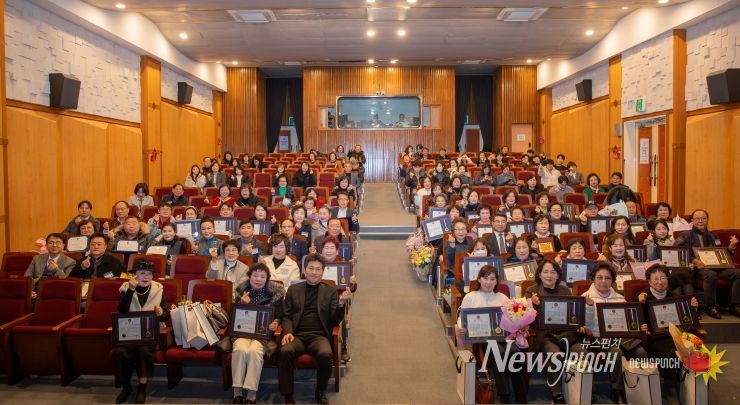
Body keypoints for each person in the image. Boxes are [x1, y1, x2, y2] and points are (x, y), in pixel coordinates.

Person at [278, 254, 350, 404]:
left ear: (322, 272)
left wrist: (341, 303)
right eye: (311, 268)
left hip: (319, 335)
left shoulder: (330, 290)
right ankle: (288, 395)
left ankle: (320, 391)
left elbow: (335, 320)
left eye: (318, 269)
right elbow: (286, 316)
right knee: (285, 352)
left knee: (325, 354)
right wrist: (288, 332)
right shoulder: (294, 289)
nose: (314, 272)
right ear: (304, 270)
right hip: (297, 334)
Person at [574, 262, 647, 404]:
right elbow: (584, 324)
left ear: (612, 280)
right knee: (616, 353)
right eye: (599, 277)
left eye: (607, 278)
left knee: (640, 352)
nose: (603, 281)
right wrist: (589, 306)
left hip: (619, 338)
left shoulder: (620, 298)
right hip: (595, 338)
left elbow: (628, 323)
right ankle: (617, 390)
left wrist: (639, 327)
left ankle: (637, 389)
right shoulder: (586, 297)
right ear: (593, 279)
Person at [454, 265, 526, 404]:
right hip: (483, 338)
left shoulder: (502, 297)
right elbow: (462, 318)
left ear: (496, 281)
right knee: (499, 353)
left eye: (492, 279)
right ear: (479, 279)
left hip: (504, 336)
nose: (488, 282)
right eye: (485, 278)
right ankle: (504, 395)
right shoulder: (470, 297)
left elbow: (512, 318)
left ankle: (520, 394)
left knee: (514, 352)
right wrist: (462, 327)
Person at [112, 259, 169, 404]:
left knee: (143, 351)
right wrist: (131, 290)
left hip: (149, 334)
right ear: (134, 275)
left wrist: (161, 312)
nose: (146, 277)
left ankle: (142, 388)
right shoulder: (126, 288)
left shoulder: (158, 289)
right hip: (130, 334)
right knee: (120, 353)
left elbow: (166, 315)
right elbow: (122, 310)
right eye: (142, 273)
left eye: (149, 274)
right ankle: (126, 387)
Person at [638, 264, 699, 390]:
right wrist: (640, 307)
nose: (660, 282)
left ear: (668, 279)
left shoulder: (675, 297)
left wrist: (693, 308)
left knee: (696, 349)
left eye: (663, 278)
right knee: (669, 354)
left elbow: (688, 323)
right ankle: (671, 386)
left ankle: (694, 388)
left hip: (677, 336)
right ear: (649, 281)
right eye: (655, 279)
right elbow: (637, 321)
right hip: (656, 338)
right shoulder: (642, 298)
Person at [231, 263, 286, 404]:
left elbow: (280, 315)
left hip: (262, 335)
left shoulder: (275, 293)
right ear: (249, 277)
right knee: (240, 349)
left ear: (267, 279)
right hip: (243, 333)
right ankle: (237, 391)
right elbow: (235, 317)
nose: (258, 279)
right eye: (255, 275)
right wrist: (242, 303)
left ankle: (251, 393)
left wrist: (276, 322)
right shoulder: (240, 291)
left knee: (254, 351)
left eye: (262, 276)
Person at [525, 259, 576, 404]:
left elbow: (572, 314)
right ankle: (556, 393)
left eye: (553, 272)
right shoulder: (531, 291)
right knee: (556, 355)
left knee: (581, 351)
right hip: (544, 335)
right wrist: (533, 305)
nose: (549, 275)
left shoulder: (565, 290)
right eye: (545, 272)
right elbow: (526, 320)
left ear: (558, 275)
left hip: (566, 334)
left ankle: (585, 390)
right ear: (539, 274)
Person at [674, 209, 740, 318]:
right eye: (697, 218)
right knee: (711, 274)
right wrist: (694, 260)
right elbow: (677, 251)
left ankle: (734, 305)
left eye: (703, 218)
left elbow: (721, 253)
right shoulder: (685, 235)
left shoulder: (714, 235)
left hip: (717, 267)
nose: (700, 221)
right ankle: (711, 306)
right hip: (698, 269)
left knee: (738, 273)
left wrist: (731, 246)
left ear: (707, 220)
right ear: (692, 221)